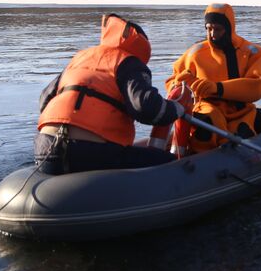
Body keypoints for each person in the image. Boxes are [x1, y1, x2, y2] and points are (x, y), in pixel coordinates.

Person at [35, 13, 188, 174]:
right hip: (89, 153)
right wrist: (177, 108)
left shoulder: (80, 58)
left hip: (45, 149)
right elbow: (147, 108)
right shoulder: (128, 62)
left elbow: (44, 100)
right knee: (168, 163)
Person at [165, 3, 261, 154]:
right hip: (206, 109)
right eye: (209, 28)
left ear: (229, 27)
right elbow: (172, 81)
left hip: (239, 113)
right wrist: (181, 85)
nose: (212, 34)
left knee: (241, 134)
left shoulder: (253, 53)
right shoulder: (196, 53)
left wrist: (217, 88)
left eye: (217, 29)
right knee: (208, 123)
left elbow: (257, 87)